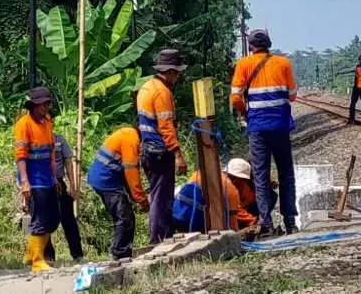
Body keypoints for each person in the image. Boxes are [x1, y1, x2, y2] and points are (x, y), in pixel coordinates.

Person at [230, 29, 299, 236]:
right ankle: (290, 221)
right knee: (286, 174)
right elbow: (293, 96)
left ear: (250, 47)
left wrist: (246, 114)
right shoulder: (284, 63)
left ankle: (266, 223)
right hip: (280, 127)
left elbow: (235, 98)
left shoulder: (243, 64)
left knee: (260, 175)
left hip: (257, 129)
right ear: (269, 44)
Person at [137, 49, 189, 244]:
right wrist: (178, 155)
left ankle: (164, 236)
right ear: (170, 71)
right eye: (177, 73)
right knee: (161, 197)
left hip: (147, 150)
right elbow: (166, 126)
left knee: (158, 194)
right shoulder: (162, 92)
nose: (178, 77)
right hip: (160, 151)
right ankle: (158, 239)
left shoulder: (146, 87)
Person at [14, 86, 60, 274]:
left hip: (48, 178)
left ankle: (31, 252)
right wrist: (25, 182)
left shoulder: (48, 122)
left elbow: (50, 152)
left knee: (54, 219)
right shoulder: (23, 124)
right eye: (42, 105)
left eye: (47, 104)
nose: (46, 108)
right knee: (40, 219)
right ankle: (37, 261)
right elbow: (20, 156)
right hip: (34, 180)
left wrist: (55, 177)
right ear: (34, 106)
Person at [86, 125, 148, 260]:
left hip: (104, 179)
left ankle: (122, 252)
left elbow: (126, 174)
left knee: (123, 216)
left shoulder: (127, 134)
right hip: (105, 180)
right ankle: (119, 253)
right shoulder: (131, 138)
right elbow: (131, 172)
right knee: (124, 217)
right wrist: (141, 199)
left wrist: (135, 196)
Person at [171, 168, 257, 234]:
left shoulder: (198, 173)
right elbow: (233, 225)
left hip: (176, 216)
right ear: (239, 180)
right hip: (196, 225)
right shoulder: (230, 189)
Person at [43, 133, 84, 264]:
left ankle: (77, 254)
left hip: (59, 184)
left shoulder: (59, 140)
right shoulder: (34, 140)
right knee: (43, 221)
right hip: (41, 184)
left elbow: (68, 163)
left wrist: (73, 186)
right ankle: (47, 256)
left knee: (68, 220)